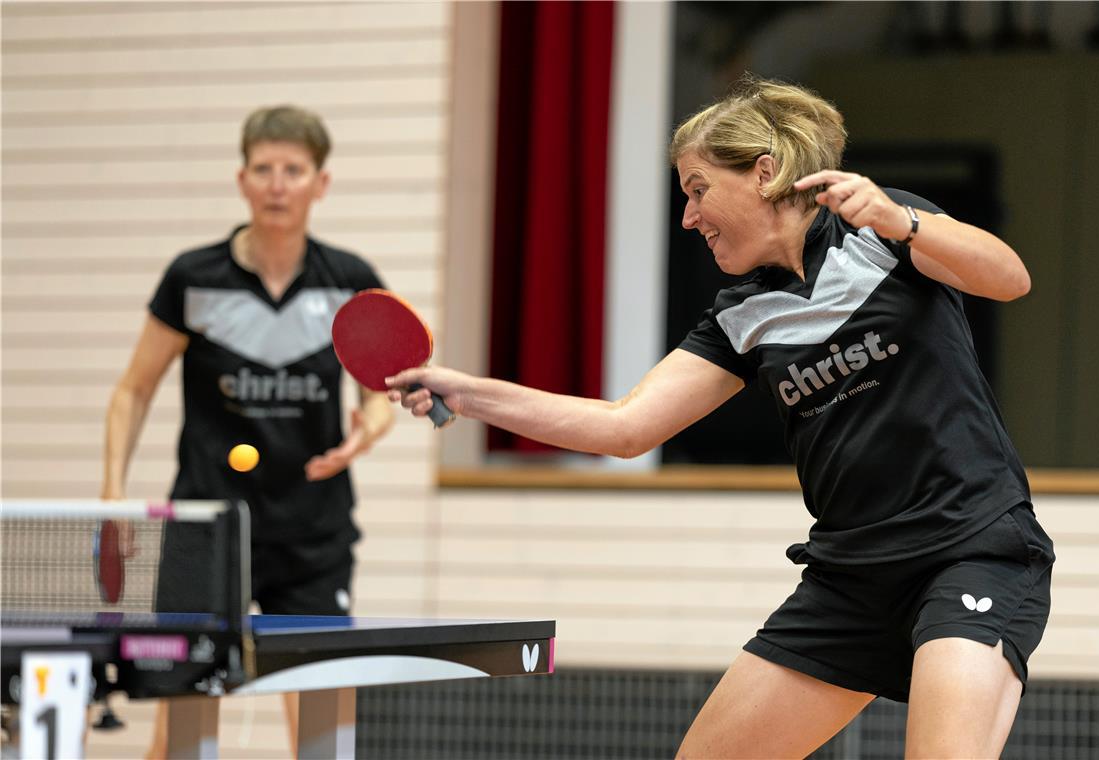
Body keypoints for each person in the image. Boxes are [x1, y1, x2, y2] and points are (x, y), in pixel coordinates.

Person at [385, 75, 1055, 759]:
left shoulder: (879, 235)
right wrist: (469, 393)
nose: (688, 217)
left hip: (971, 552)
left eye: (698, 189)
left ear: (763, 174)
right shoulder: (741, 315)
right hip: (851, 578)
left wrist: (902, 221)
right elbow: (625, 427)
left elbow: (1009, 278)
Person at [101, 105, 393, 757]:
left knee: (320, 731)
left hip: (313, 532)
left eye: (293, 170)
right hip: (205, 527)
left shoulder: (349, 281)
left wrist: (366, 433)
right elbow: (133, 390)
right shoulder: (193, 278)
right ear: (242, 180)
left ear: (321, 184)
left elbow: (379, 391)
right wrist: (111, 492)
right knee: (179, 731)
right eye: (264, 169)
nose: (277, 183)